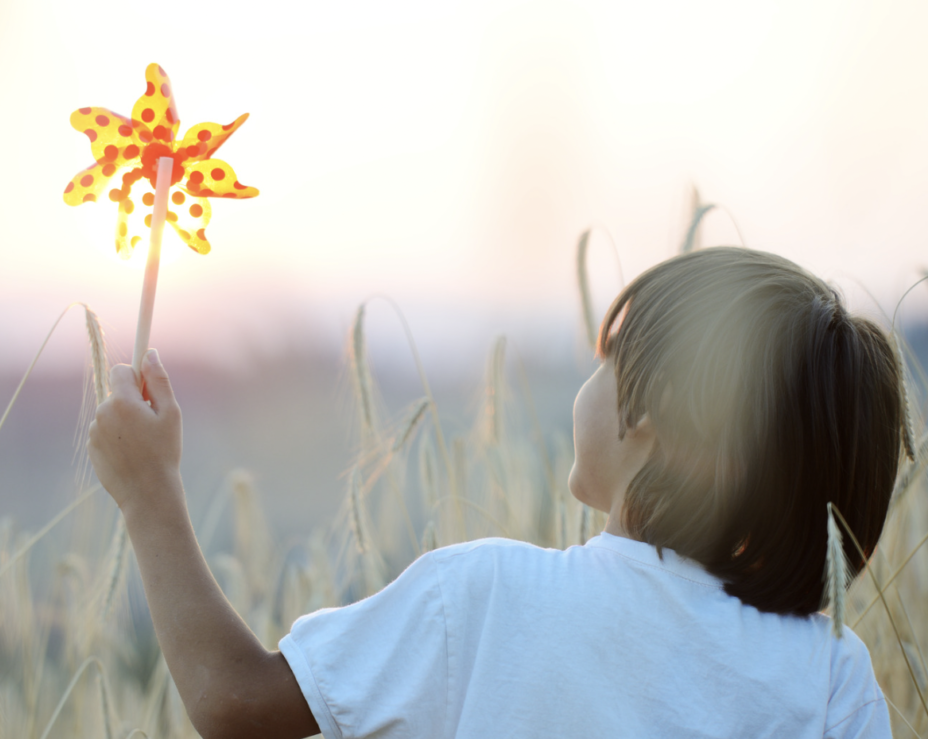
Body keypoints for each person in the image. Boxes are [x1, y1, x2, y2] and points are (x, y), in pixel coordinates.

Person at [89, 247, 900, 739]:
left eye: (608, 357)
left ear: (652, 412)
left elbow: (235, 705)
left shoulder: (483, 597)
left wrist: (149, 491)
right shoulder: (833, 675)